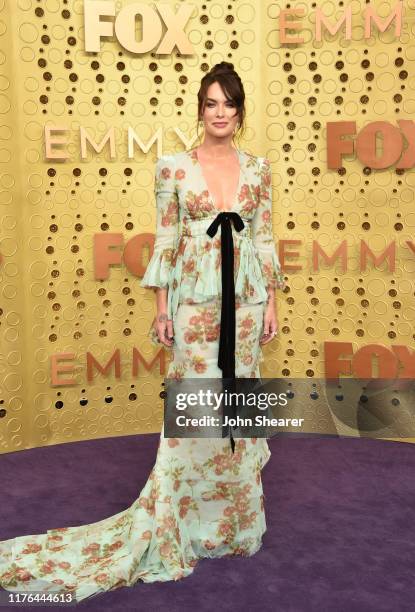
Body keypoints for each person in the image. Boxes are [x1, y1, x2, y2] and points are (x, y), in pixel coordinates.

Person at [0, 62, 285, 603]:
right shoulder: (173, 168)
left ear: (240, 111)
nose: (219, 113)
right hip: (196, 304)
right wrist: (162, 309)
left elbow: (265, 239)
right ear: (199, 109)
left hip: (245, 308)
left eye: (228, 104)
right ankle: (182, 524)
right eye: (210, 103)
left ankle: (234, 526)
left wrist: (271, 302)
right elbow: (167, 241)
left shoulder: (260, 169)